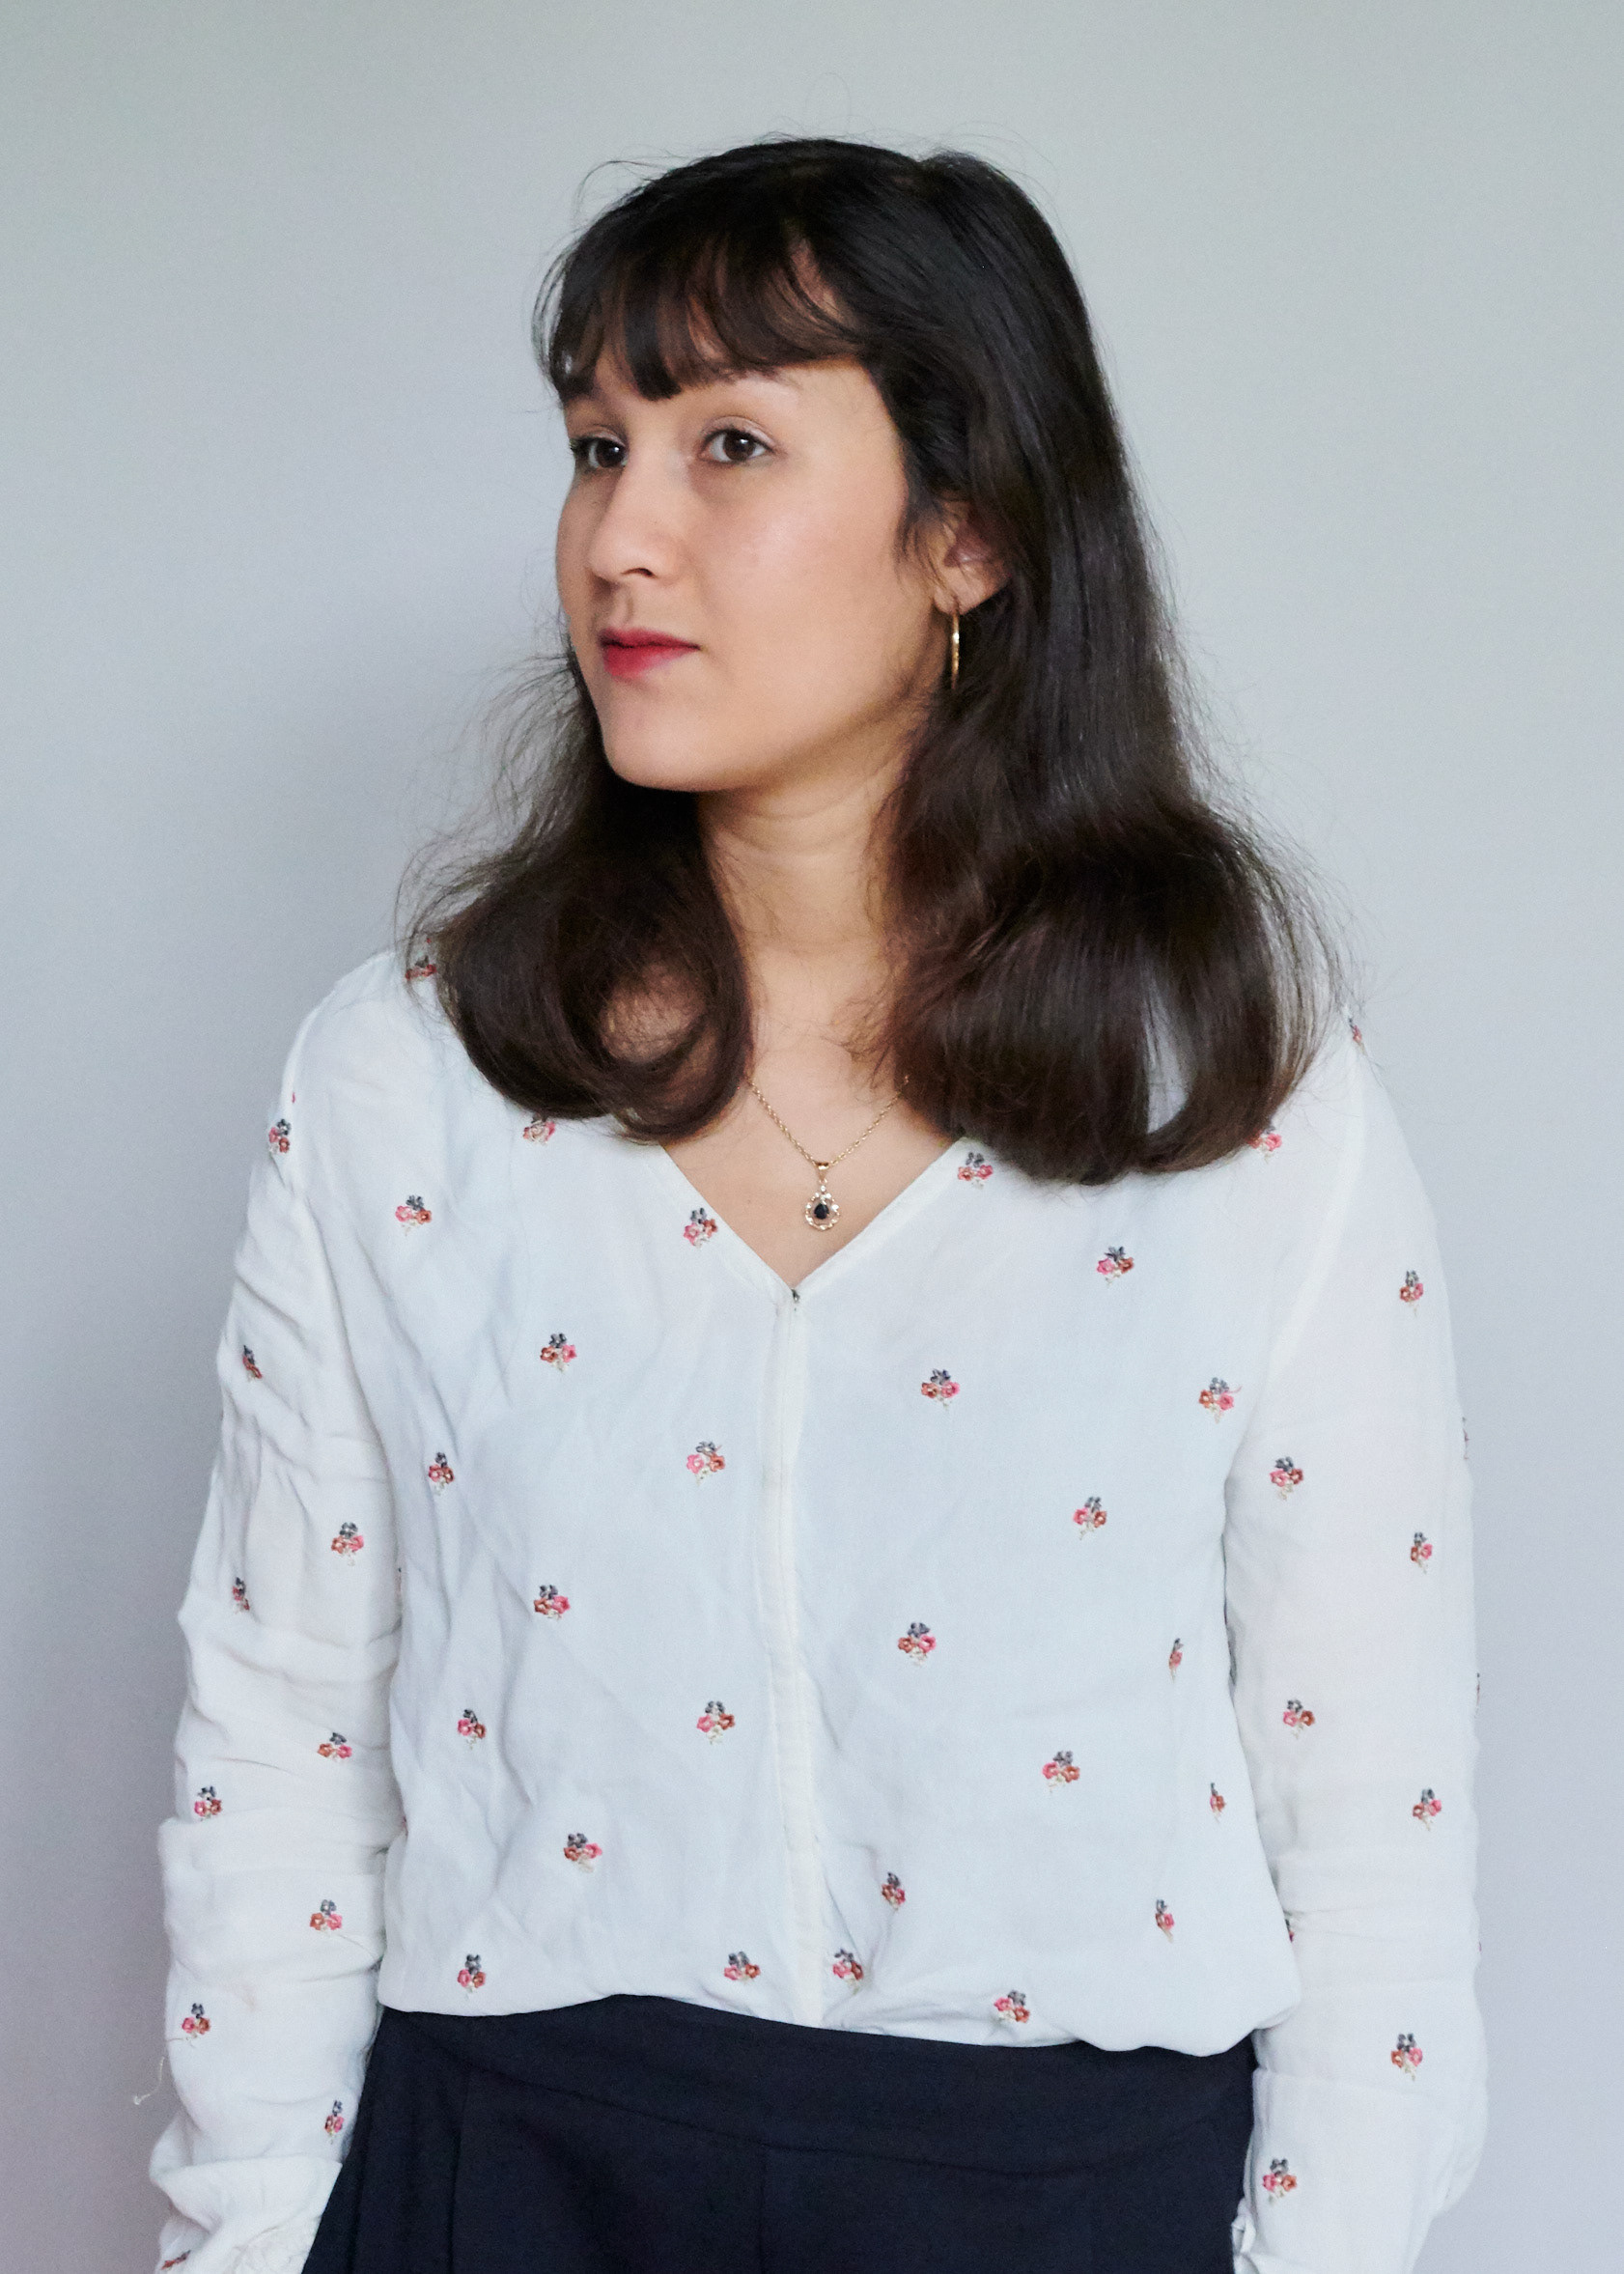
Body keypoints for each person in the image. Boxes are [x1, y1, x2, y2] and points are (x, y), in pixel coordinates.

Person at [151, 138, 1484, 2274]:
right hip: (511, 2174)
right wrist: (246, 2241)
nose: (619, 534)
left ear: (966, 534)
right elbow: (282, 1729)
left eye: (730, 443)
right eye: (597, 445)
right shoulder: (409, 1076)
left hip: (1062, 2200)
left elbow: (1371, 1812)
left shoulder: (1236, 1096)